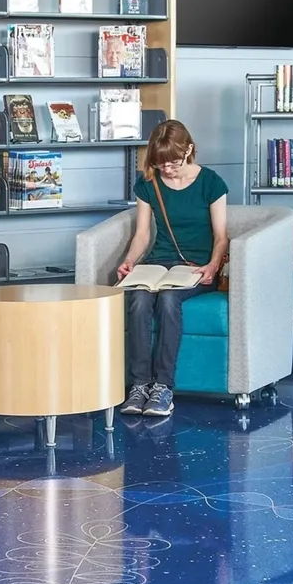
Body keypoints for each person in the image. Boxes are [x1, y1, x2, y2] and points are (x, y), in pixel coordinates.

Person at [116, 120, 228, 418]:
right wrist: (129, 260)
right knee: (139, 299)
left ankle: (163, 387)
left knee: (168, 299)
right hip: (158, 262)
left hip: (196, 266)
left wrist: (213, 265)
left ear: (189, 149)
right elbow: (142, 234)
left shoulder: (211, 182)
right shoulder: (148, 184)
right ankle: (140, 385)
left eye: (173, 162)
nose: (167, 169)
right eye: (160, 163)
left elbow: (221, 236)